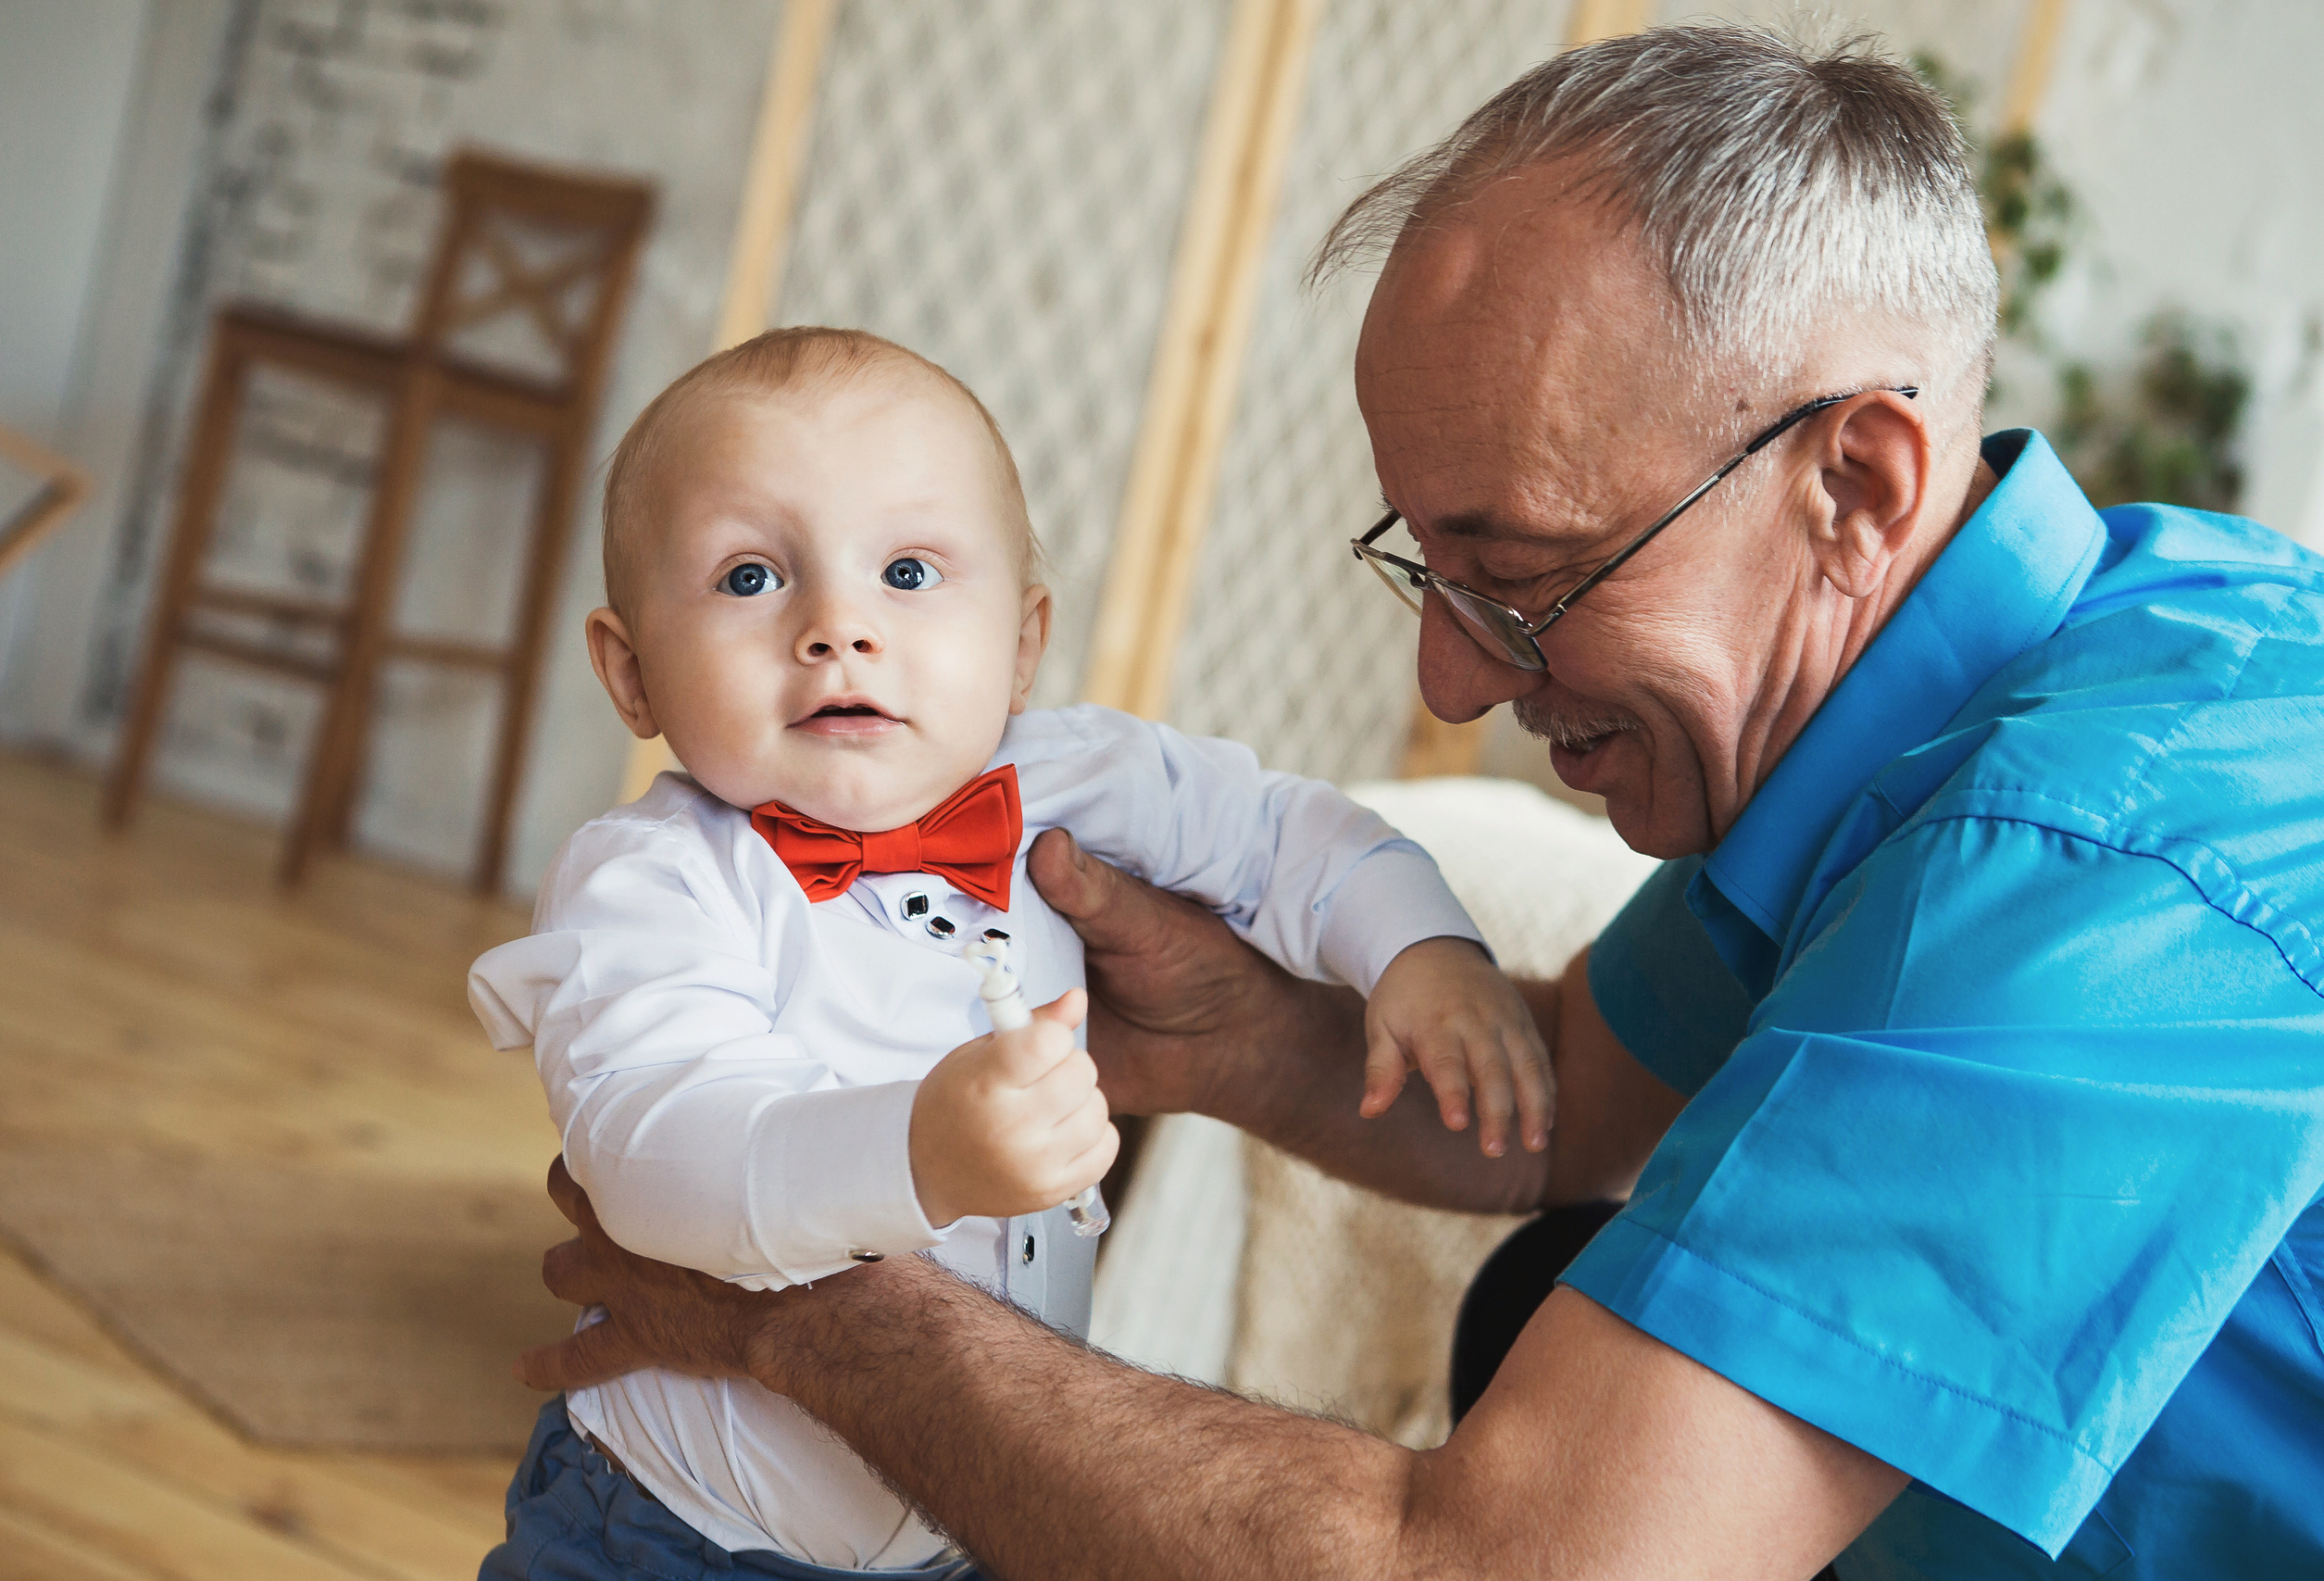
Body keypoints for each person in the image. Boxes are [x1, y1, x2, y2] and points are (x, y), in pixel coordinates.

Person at [513, 25, 2324, 1581]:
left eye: (1517, 569)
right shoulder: (2010, 664)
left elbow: (1496, 1564)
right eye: (1423, 564)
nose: (1449, 681)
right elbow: (1559, 1110)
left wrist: (825, 1311)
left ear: (1853, 481)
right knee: (1532, 1292)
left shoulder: (2098, 857)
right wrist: (1232, 1035)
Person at [465, 326, 1547, 1579]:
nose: (839, 628)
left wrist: (1419, 948)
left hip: (972, 1515)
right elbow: (659, 1157)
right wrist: (916, 1153)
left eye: (911, 573)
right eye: (752, 579)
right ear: (631, 671)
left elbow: (1281, 831)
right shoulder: (652, 879)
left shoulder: (1071, 773)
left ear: (1023, 644)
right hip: (677, 1532)